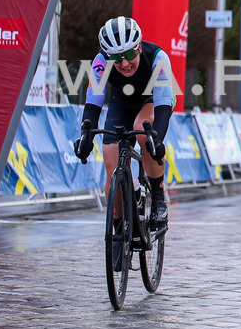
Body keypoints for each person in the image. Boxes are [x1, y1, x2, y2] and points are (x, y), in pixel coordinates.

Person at [73, 17, 175, 250]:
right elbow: (94, 101)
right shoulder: (100, 61)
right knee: (111, 163)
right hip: (121, 103)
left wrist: (156, 138)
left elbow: (162, 104)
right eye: (116, 59)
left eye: (129, 54)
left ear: (139, 47)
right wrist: (86, 135)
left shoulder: (158, 58)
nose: (124, 63)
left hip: (153, 101)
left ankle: (158, 198)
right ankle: (118, 227)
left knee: (144, 132)